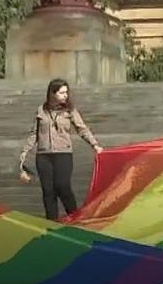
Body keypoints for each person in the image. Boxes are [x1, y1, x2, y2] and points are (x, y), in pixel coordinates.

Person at [18, 79, 103, 221]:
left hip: (63, 154)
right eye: (62, 92)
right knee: (48, 191)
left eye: (66, 92)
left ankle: (75, 217)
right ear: (52, 93)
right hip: (44, 155)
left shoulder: (70, 110)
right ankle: (52, 223)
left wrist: (94, 145)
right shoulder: (41, 111)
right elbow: (34, 133)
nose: (65, 95)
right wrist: (25, 152)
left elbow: (82, 129)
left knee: (62, 186)